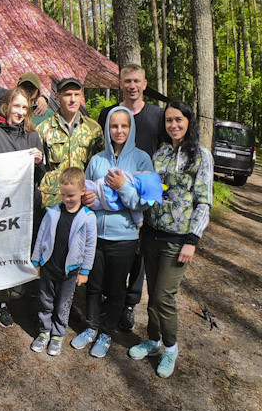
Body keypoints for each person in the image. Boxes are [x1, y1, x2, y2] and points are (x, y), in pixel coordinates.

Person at [129, 101, 213, 378]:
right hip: (152, 234)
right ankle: (153, 341)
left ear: (189, 121)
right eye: (168, 120)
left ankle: (170, 348)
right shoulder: (161, 153)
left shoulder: (201, 156)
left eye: (178, 119)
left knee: (165, 297)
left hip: (178, 239)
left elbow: (203, 201)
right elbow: (153, 189)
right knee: (152, 293)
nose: (173, 125)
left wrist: (192, 239)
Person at [72, 107, 153, 358]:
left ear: (131, 129)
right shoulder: (97, 160)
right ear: (108, 128)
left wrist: (122, 187)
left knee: (117, 289)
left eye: (124, 126)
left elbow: (144, 202)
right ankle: (91, 327)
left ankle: (106, 333)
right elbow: (84, 190)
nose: (119, 131)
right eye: (114, 126)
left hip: (124, 237)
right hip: (95, 234)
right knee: (93, 286)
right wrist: (85, 198)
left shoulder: (141, 160)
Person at [97, 64, 165, 331]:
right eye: (127, 81)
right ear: (120, 84)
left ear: (145, 84)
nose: (132, 86)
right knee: (109, 250)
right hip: (111, 195)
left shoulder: (157, 116)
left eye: (137, 81)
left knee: (139, 254)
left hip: (141, 195)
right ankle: (109, 298)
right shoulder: (108, 113)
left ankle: (129, 304)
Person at [0, 87, 45, 327]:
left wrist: (40, 161)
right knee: (2, 254)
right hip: (3, 207)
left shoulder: (32, 136)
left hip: (29, 205)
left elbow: (40, 175)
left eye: (24, 107)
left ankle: (24, 297)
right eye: (16, 106)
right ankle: (0, 301)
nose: (19, 111)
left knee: (25, 251)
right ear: (7, 107)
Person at [30, 167, 97, 356]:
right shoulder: (52, 213)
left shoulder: (87, 218)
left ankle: (58, 335)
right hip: (49, 267)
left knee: (62, 305)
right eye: (64, 194)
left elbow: (90, 246)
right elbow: (41, 237)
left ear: (83, 191)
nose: (67, 199)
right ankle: (44, 332)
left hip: (70, 271)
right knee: (46, 301)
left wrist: (85, 271)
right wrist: (36, 262)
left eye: (72, 195)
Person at [36, 77, 104, 208]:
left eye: (77, 94)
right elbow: (37, 170)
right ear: (57, 96)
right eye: (68, 95)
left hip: (83, 202)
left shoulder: (93, 129)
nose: (73, 99)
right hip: (53, 202)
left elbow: (100, 167)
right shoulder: (44, 129)